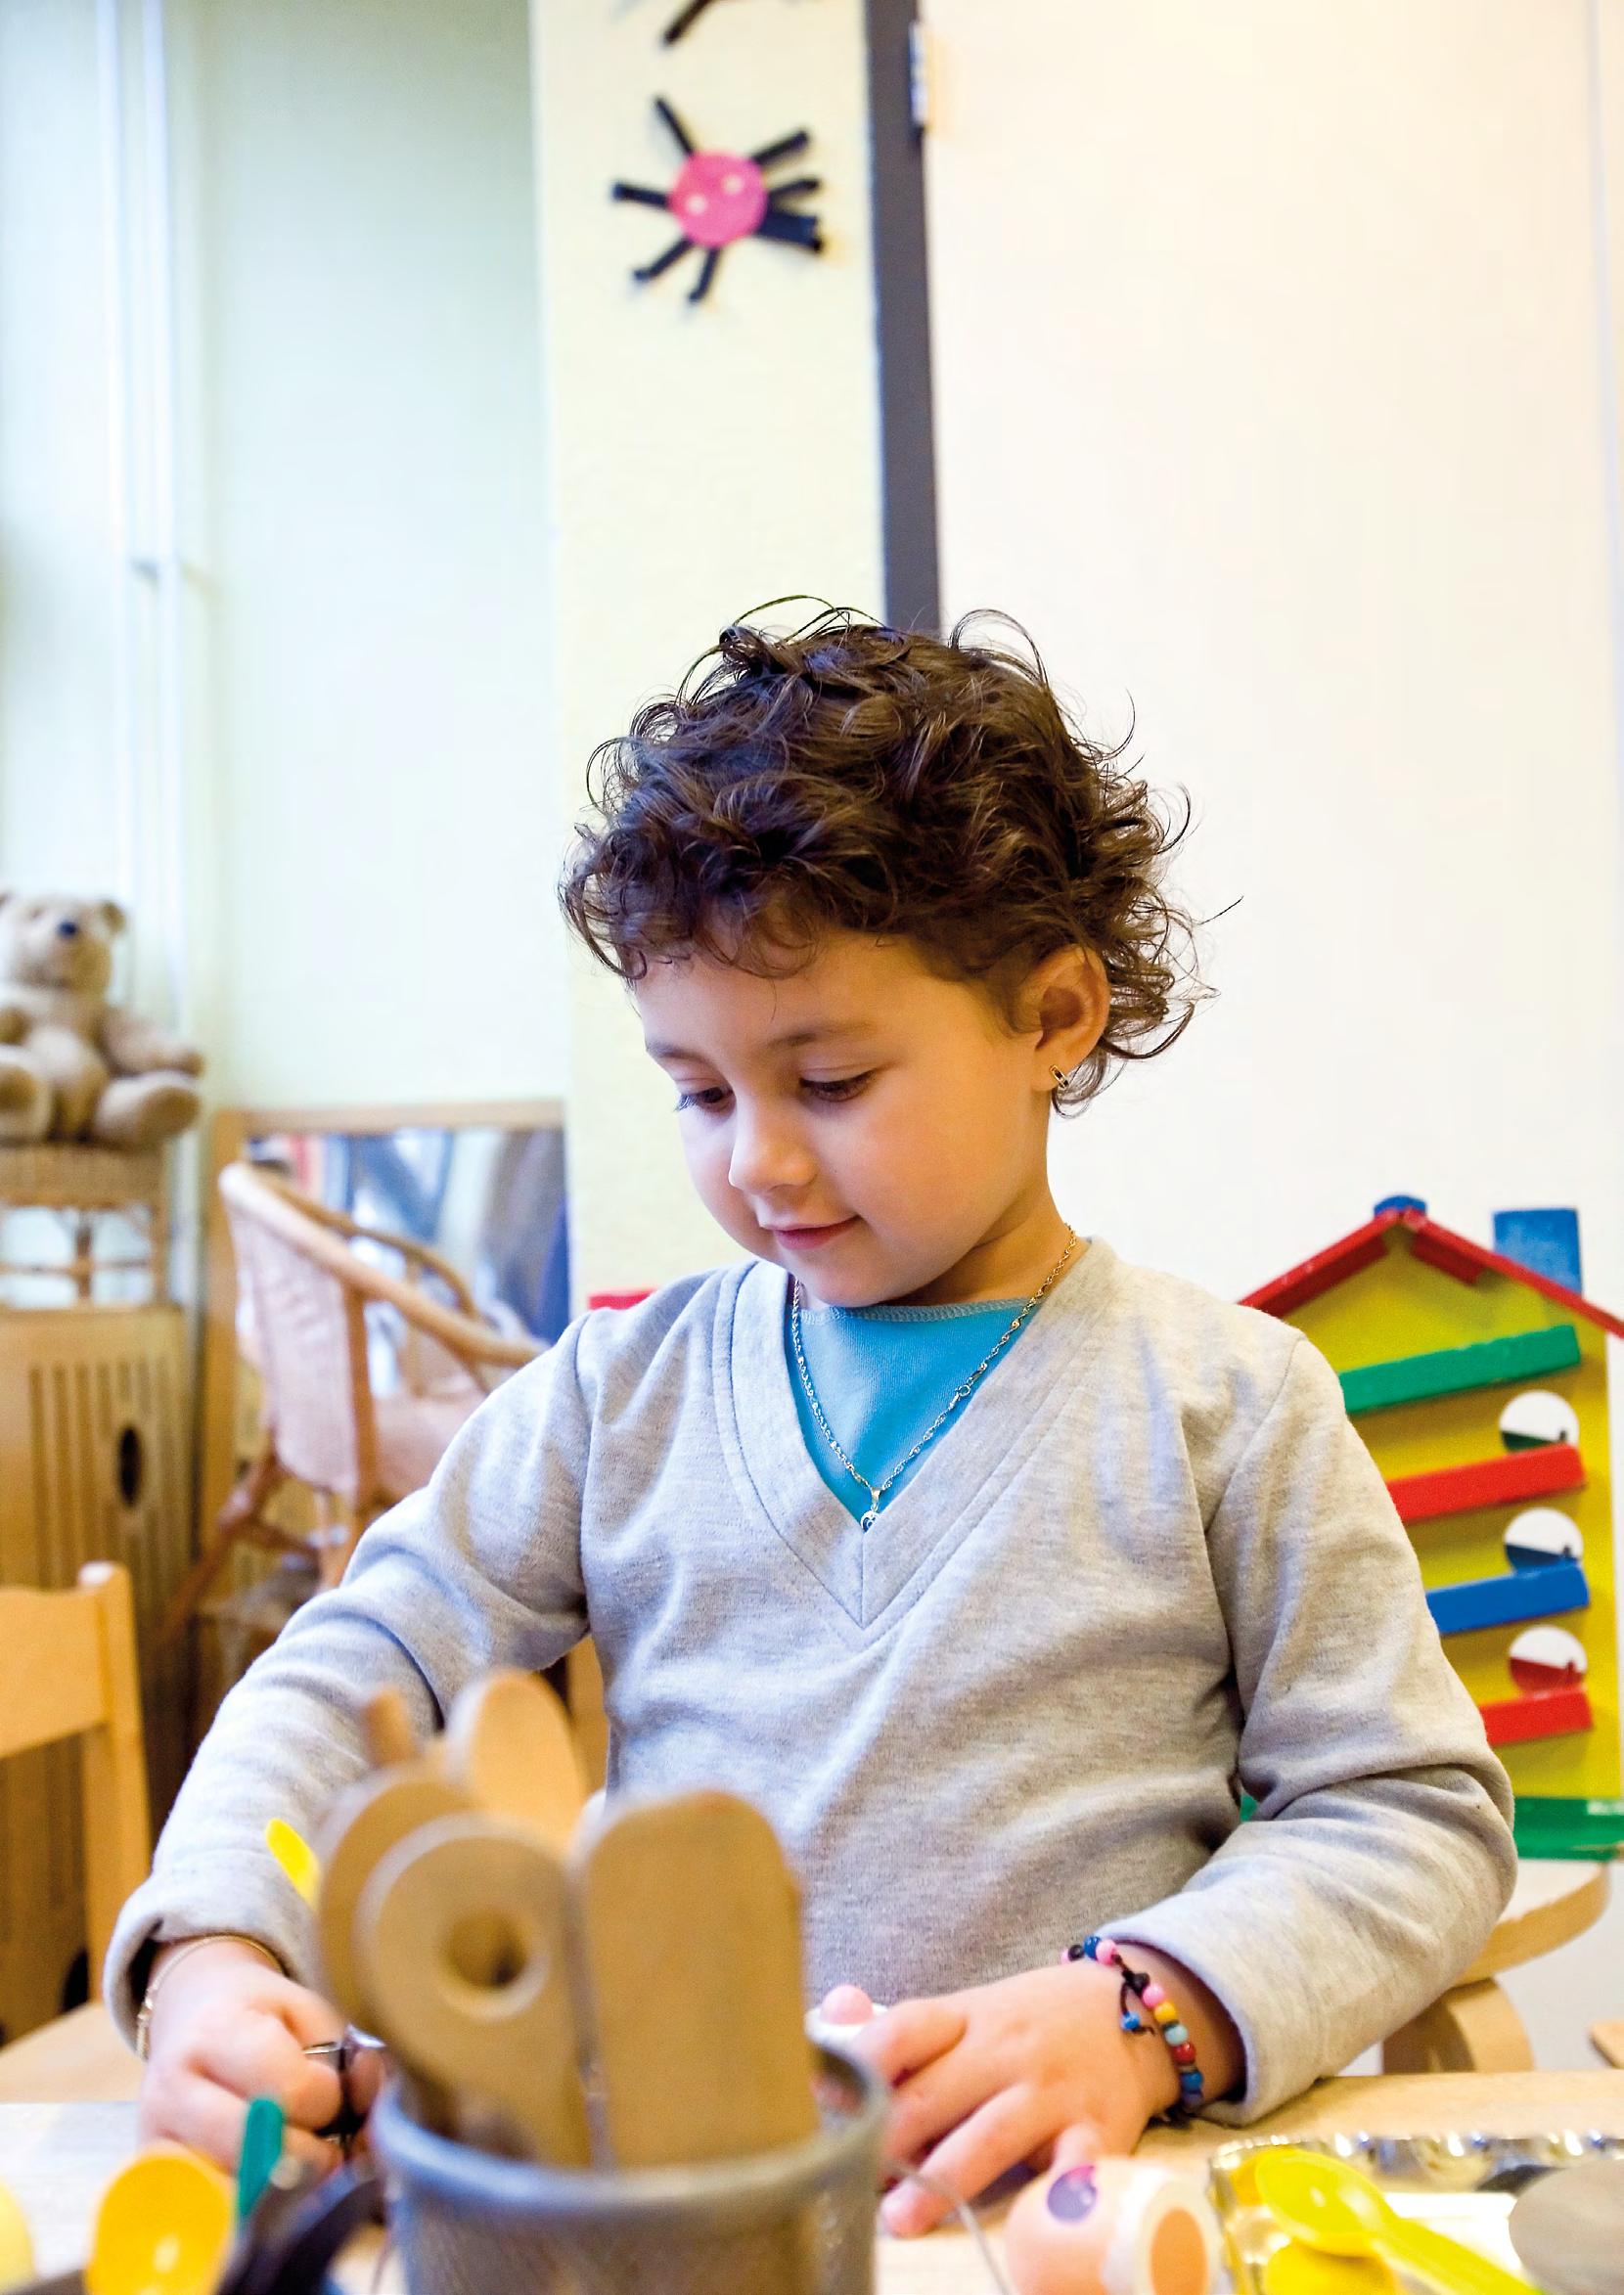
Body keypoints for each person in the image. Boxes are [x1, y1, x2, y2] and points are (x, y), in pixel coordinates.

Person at [112, 612, 1514, 2235]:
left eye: (830, 1081)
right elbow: (362, 1663)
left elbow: (1410, 1812)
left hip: (1053, 2222)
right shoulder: (615, 1391)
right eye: (700, 1092)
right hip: (667, 2222)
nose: (756, 1162)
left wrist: (1148, 2009)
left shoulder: (1232, 1402)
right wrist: (214, 1947)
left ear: (1056, 1016)